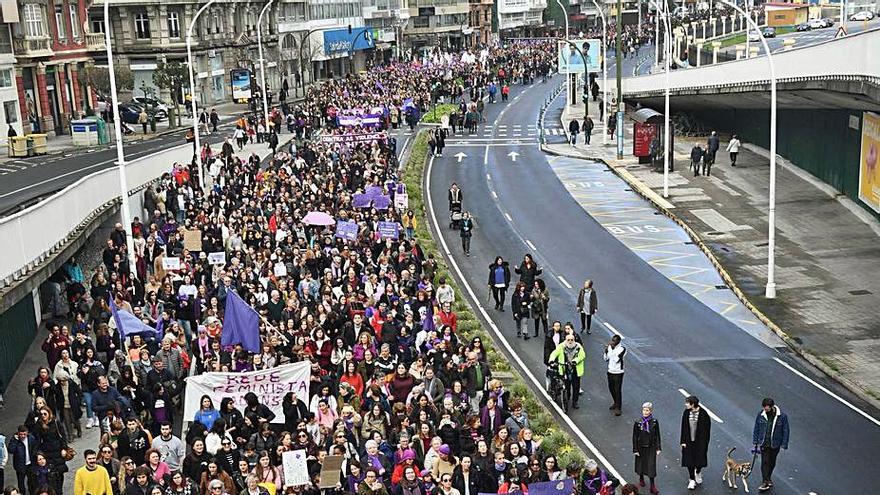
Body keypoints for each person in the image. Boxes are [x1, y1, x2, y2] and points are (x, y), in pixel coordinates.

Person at [752, 397, 789, 492]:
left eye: (767, 408)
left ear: (772, 407)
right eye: (764, 408)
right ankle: (765, 481)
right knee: (764, 462)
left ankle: (768, 478)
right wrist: (755, 440)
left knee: (772, 462)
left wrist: (784, 443)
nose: (765, 410)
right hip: (764, 443)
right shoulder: (760, 415)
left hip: (775, 444)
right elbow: (757, 427)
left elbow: (785, 430)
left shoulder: (782, 416)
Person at [679, 395, 711, 490]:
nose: (686, 405)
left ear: (693, 404)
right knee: (689, 460)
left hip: (700, 442)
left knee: (700, 460)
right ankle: (692, 479)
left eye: (687, 403)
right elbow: (683, 427)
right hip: (689, 441)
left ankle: (698, 472)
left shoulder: (704, 414)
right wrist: (683, 441)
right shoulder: (686, 413)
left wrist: (705, 443)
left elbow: (707, 430)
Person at [548, 334, 586, 409]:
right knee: (566, 385)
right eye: (568, 340)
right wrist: (551, 360)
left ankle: (575, 401)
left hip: (575, 370)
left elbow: (582, 355)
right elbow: (554, 353)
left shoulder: (578, 346)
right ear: (565, 340)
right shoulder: (561, 346)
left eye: (572, 340)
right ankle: (567, 398)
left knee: (576, 387)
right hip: (564, 369)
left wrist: (575, 361)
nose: (570, 341)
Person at [632, 402, 661, 494]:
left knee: (651, 466)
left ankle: (652, 486)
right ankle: (641, 477)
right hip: (640, 447)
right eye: (644, 410)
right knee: (641, 463)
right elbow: (635, 436)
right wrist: (635, 449)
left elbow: (657, 435)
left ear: (650, 411)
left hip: (651, 447)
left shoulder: (654, 422)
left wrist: (658, 447)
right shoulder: (638, 422)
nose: (645, 412)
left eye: (647, 410)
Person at [9, 425, 36, 495]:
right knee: (21, 483)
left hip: (30, 464)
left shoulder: (31, 438)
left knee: (32, 481)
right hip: (20, 465)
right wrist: (15, 440)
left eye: (24, 434)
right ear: (18, 433)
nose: (23, 436)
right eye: (21, 434)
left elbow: (35, 449)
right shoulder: (15, 440)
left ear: (27, 432)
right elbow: (11, 450)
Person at [603, 335, 626, 416]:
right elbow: (606, 359)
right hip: (610, 371)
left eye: (615, 341)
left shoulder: (622, 349)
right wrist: (606, 351)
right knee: (611, 388)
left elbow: (617, 359)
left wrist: (611, 349)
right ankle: (615, 402)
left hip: (618, 372)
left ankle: (619, 408)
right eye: (612, 340)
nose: (613, 342)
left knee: (617, 389)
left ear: (618, 342)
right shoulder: (609, 348)